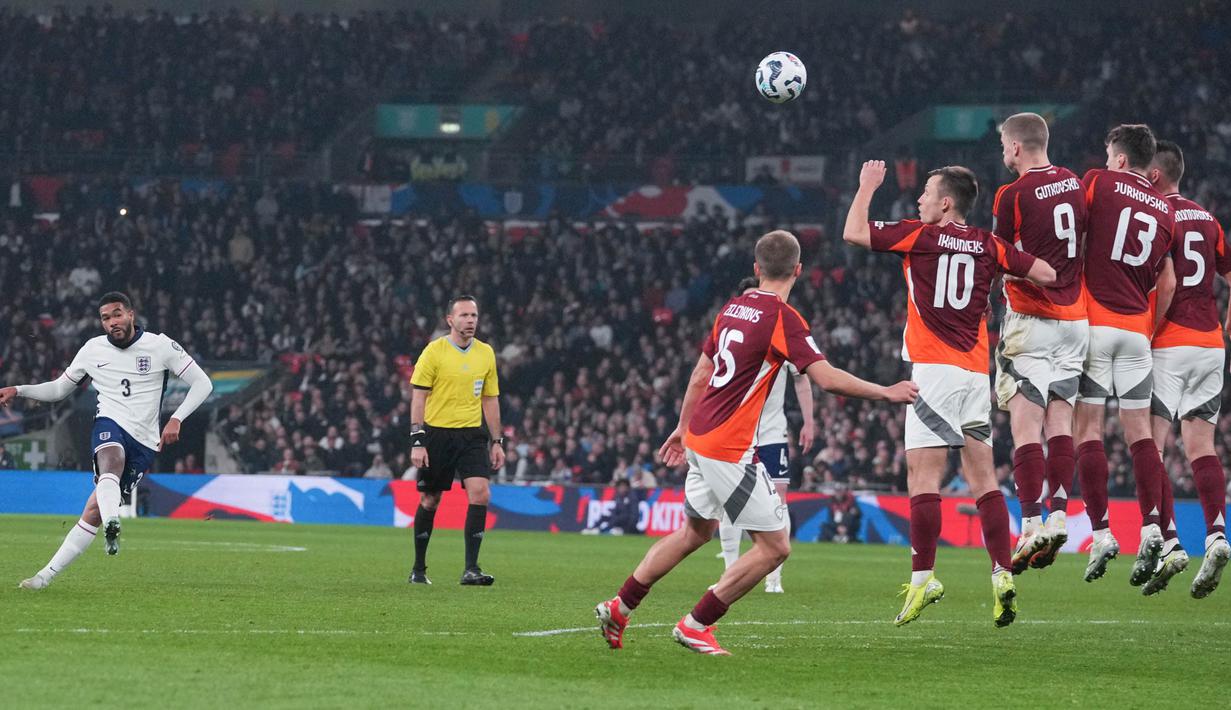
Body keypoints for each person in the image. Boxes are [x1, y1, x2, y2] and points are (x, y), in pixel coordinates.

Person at [594, 229, 918, 656]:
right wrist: (886, 391)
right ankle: (697, 623)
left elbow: (699, 374)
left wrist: (681, 427)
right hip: (729, 447)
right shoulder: (784, 319)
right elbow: (823, 378)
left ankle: (620, 606)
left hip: (702, 436)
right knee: (775, 546)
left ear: (756, 269)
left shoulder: (732, 308)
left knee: (694, 532)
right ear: (798, 270)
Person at [843, 161, 1056, 627]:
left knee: (923, 480)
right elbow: (1045, 271)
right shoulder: (989, 245)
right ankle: (1002, 573)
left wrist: (866, 187)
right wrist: (1007, 275)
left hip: (934, 374)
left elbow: (854, 232)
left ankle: (923, 580)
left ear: (945, 202)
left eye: (925, 193)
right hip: (975, 375)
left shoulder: (920, 236)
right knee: (984, 479)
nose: (919, 200)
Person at [2, 292, 213, 590]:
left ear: (131, 314)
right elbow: (60, 389)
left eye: (117, 314)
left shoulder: (160, 345)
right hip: (110, 422)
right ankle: (109, 524)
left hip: (144, 439)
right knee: (109, 462)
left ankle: (46, 574)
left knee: (92, 511)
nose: (112, 322)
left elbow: (203, 383)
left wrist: (177, 417)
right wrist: (19, 389)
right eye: (105, 318)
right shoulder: (92, 350)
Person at [1073, 125, 1177, 586]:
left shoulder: (1098, 181)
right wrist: (1150, 327)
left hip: (1096, 325)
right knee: (1142, 439)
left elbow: (1068, 226)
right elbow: (1166, 282)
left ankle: (1101, 532)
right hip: (1138, 333)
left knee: (1087, 430)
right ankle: (1153, 524)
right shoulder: (1167, 213)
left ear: (1118, 158)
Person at [991, 112, 1090, 572]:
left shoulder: (1012, 194)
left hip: (1031, 318)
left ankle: (1030, 524)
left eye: (1003, 146)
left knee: (1026, 427)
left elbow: (997, 256)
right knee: (1062, 423)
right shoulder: (1073, 182)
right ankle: (1058, 515)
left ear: (1014, 147)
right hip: (1076, 320)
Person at [1142, 140, 1231, 598]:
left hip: (1170, 345)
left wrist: (1150, 333)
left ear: (1154, 176)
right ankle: (1217, 533)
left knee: (1150, 447)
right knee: (1201, 447)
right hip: (1211, 345)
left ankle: (1172, 540)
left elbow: (1169, 282)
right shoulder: (1207, 218)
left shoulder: (1158, 215)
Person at [716, 277, 816, 593]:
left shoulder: (779, 330)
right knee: (728, 503)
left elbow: (802, 379)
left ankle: (774, 578)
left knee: (779, 500)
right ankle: (730, 572)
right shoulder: (735, 332)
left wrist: (809, 421)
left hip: (771, 432)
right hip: (736, 431)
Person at [408, 295, 505, 586]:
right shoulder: (433, 352)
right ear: (450, 320)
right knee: (431, 499)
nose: (470, 321)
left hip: (471, 435)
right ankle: (419, 569)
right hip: (437, 434)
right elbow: (418, 397)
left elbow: (490, 398)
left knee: (481, 493)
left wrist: (497, 440)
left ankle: (471, 569)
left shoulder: (485, 353)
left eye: (474, 315)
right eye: (464, 315)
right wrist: (417, 440)